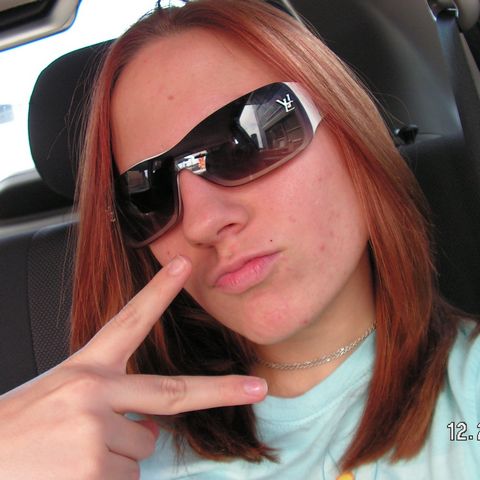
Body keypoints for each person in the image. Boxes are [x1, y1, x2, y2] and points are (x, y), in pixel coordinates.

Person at [0, 0, 478, 478]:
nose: (201, 223)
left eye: (246, 143)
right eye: (149, 193)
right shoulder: (100, 453)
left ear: (348, 122)